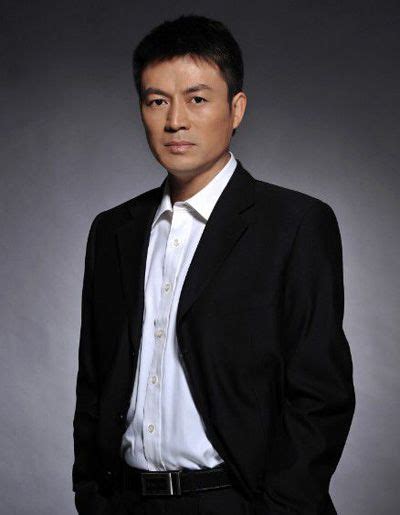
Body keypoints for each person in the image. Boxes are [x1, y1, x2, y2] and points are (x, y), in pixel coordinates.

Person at [72, 14, 356, 515]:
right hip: (128, 501)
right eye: (157, 101)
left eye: (197, 99)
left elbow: (321, 394)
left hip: (238, 500)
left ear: (236, 108)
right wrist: (92, 495)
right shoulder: (113, 230)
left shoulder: (294, 224)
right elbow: (94, 380)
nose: (175, 120)